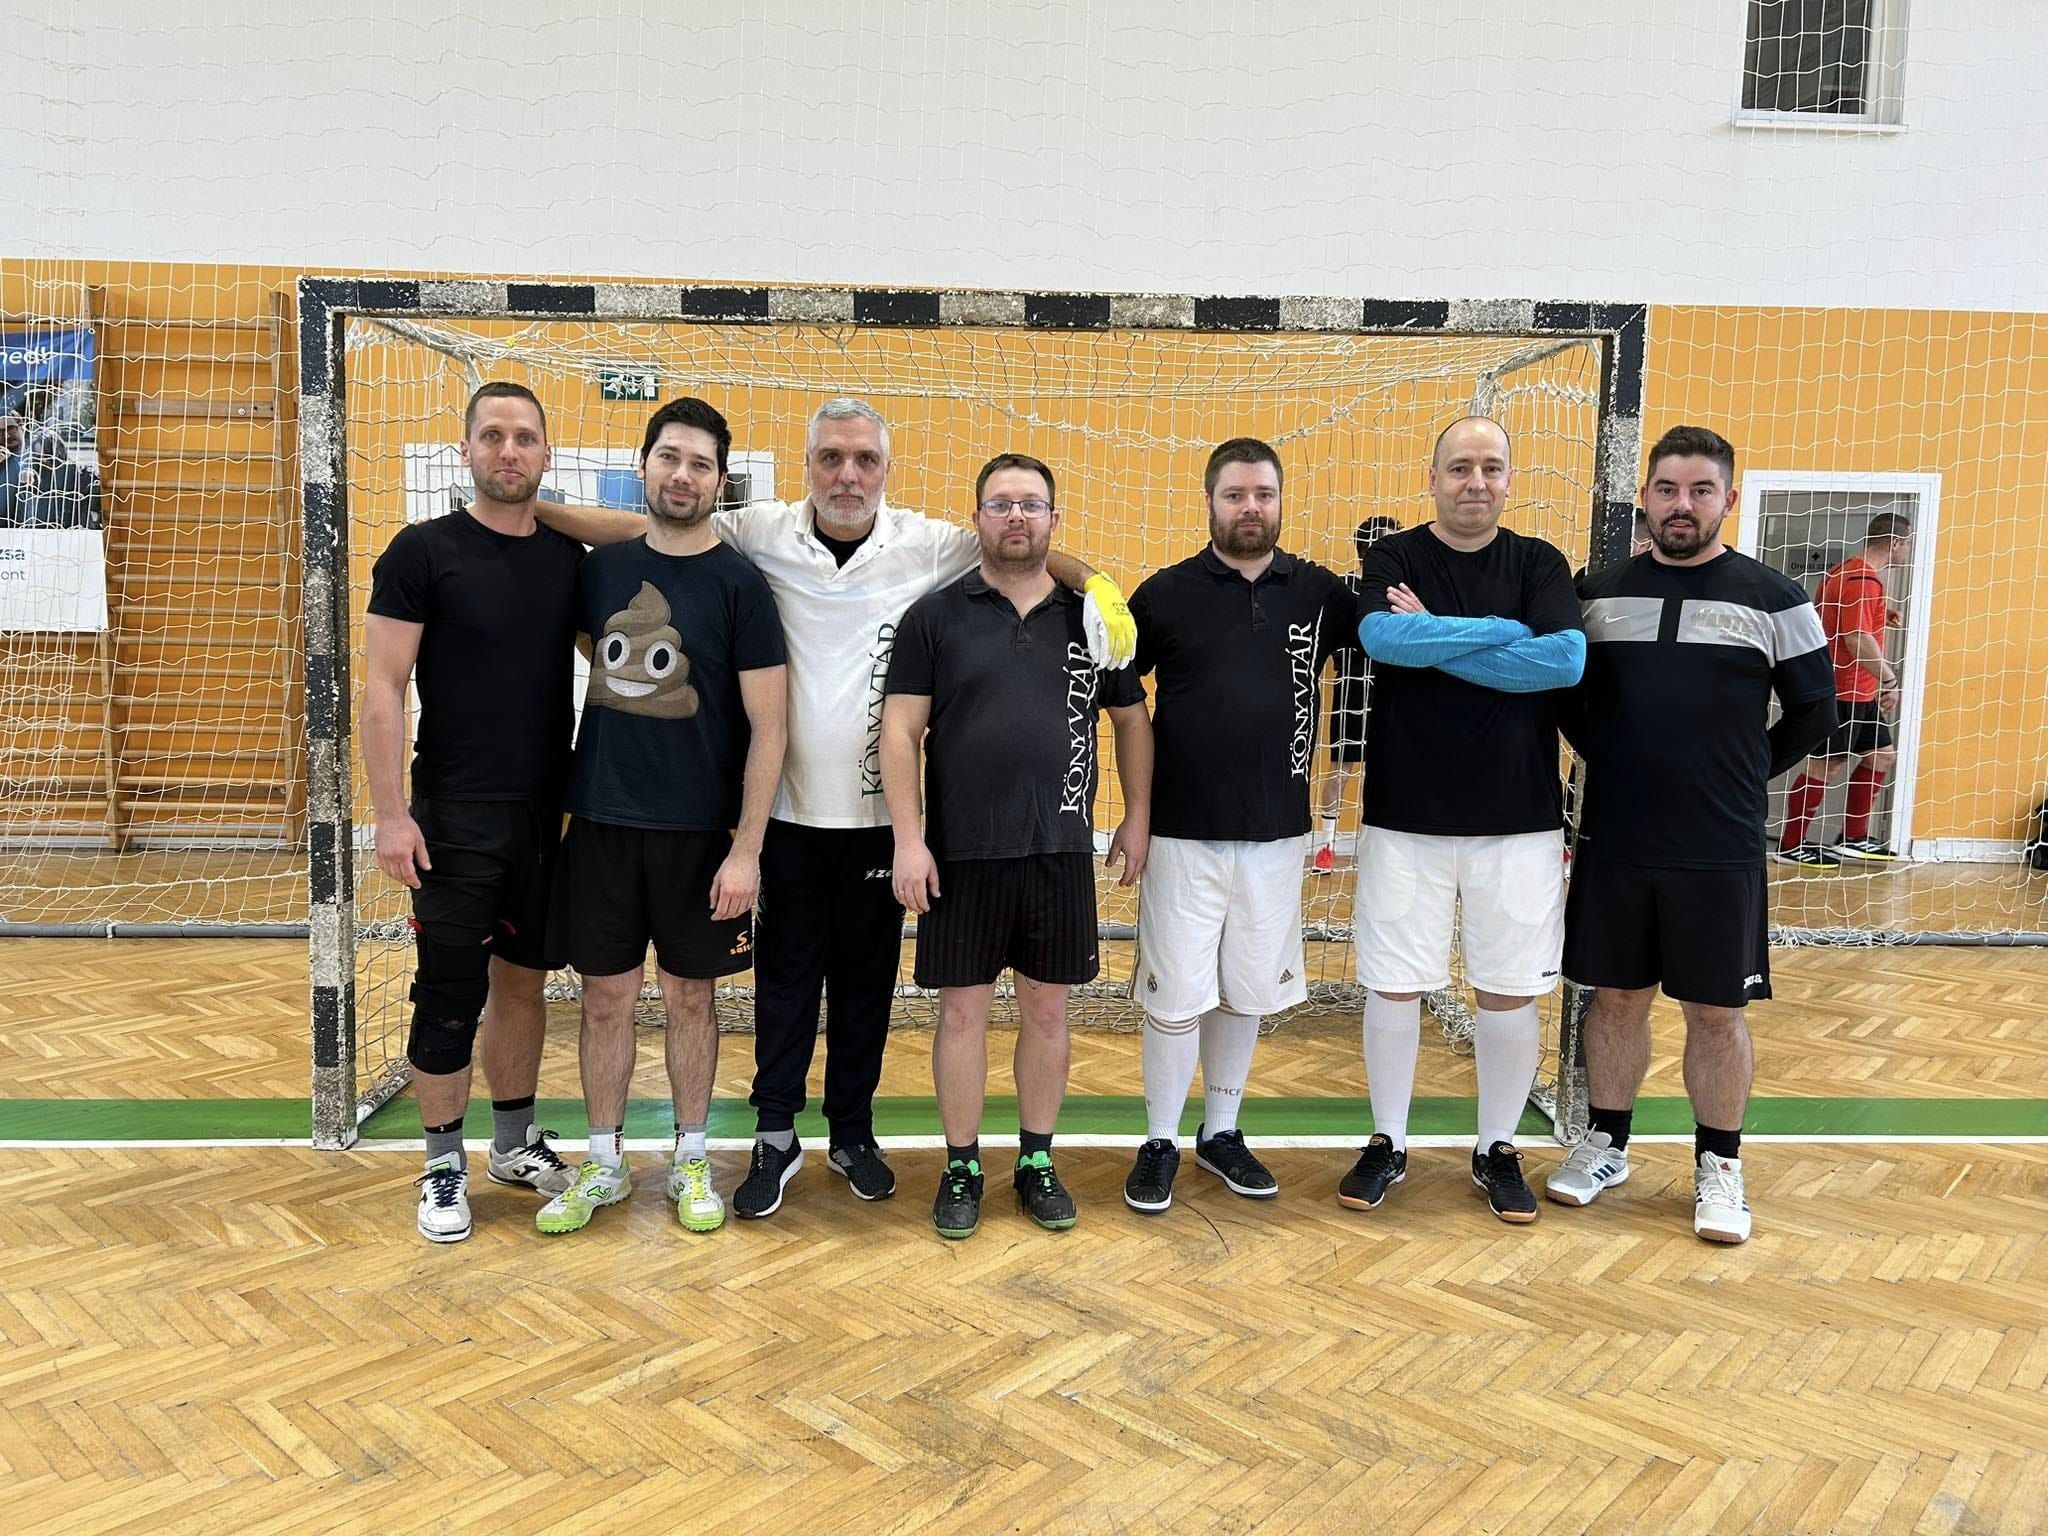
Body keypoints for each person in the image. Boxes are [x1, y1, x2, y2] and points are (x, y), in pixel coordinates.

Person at [535, 399, 1136, 1220]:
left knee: (863, 989)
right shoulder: (759, 531)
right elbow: (640, 525)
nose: (847, 475)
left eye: (864, 460)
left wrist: (1095, 582)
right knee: (784, 986)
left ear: (885, 470)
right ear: (809, 463)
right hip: (784, 813)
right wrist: (531, 507)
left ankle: (852, 1131)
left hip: (879, 820)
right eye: (830, 458)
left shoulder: (929, 544)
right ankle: (774, 1135)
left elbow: (1025, 542)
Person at [1548, 426, 1837, 1243]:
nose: (1683, 505)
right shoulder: (1595, 592)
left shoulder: (1776, 598)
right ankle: (1605, 1144)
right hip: (1616, 838)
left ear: (1728, 500)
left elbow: (1815, 709)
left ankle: (1721, 1166)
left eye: (1701, 490)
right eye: (1668, 489)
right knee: (1616, 1000)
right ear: (1645, 496)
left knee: (1716, 1012)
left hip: (1719, 846)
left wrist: (1743, 773)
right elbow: (1565, 696)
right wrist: (1607, 757)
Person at [880, 452, 1152, 1240]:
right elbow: (899, 730)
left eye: (1032, 504)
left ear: (1054, 520)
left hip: (1058, 851)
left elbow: (1131, 720)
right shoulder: (935, 616)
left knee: (1048, 1011)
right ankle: (962, 1165)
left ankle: (1036, 1160)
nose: (1017, 517)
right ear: (977, 519)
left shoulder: (1092, 619)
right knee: (962, 1016)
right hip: (959, 854)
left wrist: (1137, 815)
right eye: (1000, 504)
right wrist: (908, 840)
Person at [535, 398, 788, 1237]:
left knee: (690, 998)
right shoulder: (600, 571)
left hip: (701, 836)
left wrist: (747, 850)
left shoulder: (742, 585)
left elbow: (771, 727)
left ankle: (690, 1155)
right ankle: (604, 1162)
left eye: (700, 464)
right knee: (605, 999)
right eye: (670, 457)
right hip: (601, 824)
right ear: (645, 465)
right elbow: (599, 654)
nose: (683, 475)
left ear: (721, 480)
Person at [1341, 416, 1586, 1224]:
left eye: (1490, 467)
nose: (1475, 481)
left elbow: (1564, 661)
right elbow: (1383, 638)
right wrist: (1508, 631)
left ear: (1509, 478)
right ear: (1434, 477)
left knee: (1507, 990)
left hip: (1517, 820)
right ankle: (1388, 1140)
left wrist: (1436, 635)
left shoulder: (1539, 561)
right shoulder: (1395, 557)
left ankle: (1496, 1148)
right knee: (1394, 984)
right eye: (1459, 467)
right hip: (1405, 816)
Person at [363, 381, 584, 1243]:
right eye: (492, 436)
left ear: (547, 455)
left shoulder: (567, 559)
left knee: (524, 985)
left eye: (525, 438)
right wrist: (391, 815)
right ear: (465, 451)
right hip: (453, 817)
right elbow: (383, 690)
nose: (508, 451)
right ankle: (442, 1163)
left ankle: (515, 1144)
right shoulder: (421, 552)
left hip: (545, 818)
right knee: (449, 995)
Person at [1121, 439, 1360, 1212]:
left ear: (1281, 502)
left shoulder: (1320, 594)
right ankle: (1159, 1140)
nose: (1250, 507)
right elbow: (1118, 693)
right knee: (1175, 996)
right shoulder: (1164, 594)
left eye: (1263, 494)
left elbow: (1385, 643)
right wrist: (1133, 813)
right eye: (1235, 494)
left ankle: (1220, 1132)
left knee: (1244, 992)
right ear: (1210, 502)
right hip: (1180, 835)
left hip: (1278, 835)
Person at [1777, 512, 1913, 867]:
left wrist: (1881, 613)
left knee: (1881, 755)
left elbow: (1839, 618)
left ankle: (1853, 839)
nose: (1907, 551)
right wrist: (1889, 680)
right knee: (1826, 766)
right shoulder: (1861, 580)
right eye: (1907, 544)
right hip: (1844, 691)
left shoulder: (1845, 573)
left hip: (1861, 694)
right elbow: (1856, 639)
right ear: (1895, 542)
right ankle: (1791, 846)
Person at [1311, 515, 1403, 874]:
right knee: (1342, 767)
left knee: (1393, 767)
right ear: (1369, 548)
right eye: (1388, 540)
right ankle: (1327, 845)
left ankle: (1386, 848)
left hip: (1394, 688)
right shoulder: (1345, 588)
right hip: (1352, 686)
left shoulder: (1402, 591)